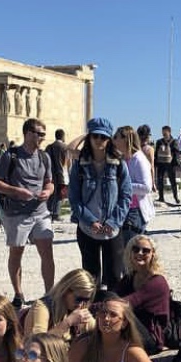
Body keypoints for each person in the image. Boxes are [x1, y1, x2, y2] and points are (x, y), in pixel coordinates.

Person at [0, 117, 56, 307]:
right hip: (17, 213)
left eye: (44, 134)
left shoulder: (44, 157)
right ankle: (18, 294)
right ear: (28, 133)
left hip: (40, 211)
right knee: (16, 253)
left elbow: (49, 181)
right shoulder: (10, 156)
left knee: (47, 252)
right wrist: (16, 191)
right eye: (39, 134)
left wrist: (48, 191)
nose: (42, 138)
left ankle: (49, 294)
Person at [67, 118, 132, 291]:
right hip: (87, 229)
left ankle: (112, 313)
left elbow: (125, 196)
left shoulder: (119, 165)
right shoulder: (79, 165)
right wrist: (90, 221)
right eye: (95, 136)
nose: (98, 140)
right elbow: (74, 199)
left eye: (103, 137)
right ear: (89, 137)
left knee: (115, 277)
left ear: (109, 139)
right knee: (90, 278)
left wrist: (113, 222)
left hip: (112, 230)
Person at [115, 235, 172, 353]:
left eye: (145, 250)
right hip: (131, 329)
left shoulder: (157, 282)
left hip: (151, 338)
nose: (140, 253)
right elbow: (114, 296)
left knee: (113, 308)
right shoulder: (130, 278)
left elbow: (127, 302)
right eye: (135, 249)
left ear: (153, 255)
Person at [22, 268, 97, 341]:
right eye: (78, 299)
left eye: (86, 300)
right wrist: (68, 322)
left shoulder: (80, 310)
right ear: (66, 291)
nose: (81, 304)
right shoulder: (43, 307)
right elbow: (37, 342)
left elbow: (97, 330)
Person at [114, 124, 156, 252]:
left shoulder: (138, 159)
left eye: (116, 137)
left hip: (135, 212)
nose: (113, 140)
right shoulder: (123, 158)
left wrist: (123, 185)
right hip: (123, 209)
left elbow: (146, 187)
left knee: (130, 252)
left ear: (126, 139)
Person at [45, 128, 69, 222]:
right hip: (61, 174)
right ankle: (57, 214)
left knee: (51, 194)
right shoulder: (65, 147)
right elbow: (67, 162)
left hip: (50, 174)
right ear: (63, 136)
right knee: (61, 195)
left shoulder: (49, 147)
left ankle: (49, 212)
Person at [154, 125, 181, 205]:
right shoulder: (159, 141)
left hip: (170, 163)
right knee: (160, 180)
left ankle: (176, 197)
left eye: (165, 132)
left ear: (169, 132)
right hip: (161, 163)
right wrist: (155, 162)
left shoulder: (174, 141)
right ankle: (161, 197)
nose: (163, 134)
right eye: (162, 132)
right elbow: (156, 153)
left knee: (172, 181)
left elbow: (176, 152)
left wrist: (176, 163)